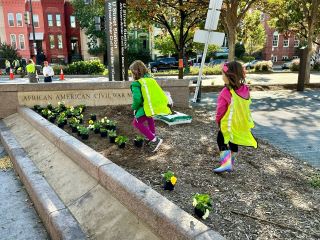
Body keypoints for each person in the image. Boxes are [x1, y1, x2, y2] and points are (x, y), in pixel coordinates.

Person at [213, 61, 257, 173]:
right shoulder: (245, 89)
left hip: (228, 123)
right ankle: (230, 163)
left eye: (223, 74)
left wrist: (218, 120)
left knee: (221, 140)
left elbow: (221, 109)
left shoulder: (226, 92)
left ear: (230, 76)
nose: (222, 76)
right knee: (233, 141)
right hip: (240, 122)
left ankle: (226, 163)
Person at [129, 60, 172, 152]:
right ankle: (152, 135)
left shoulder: (136, 83)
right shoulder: (151, 80)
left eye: (132, 72)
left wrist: (134, 107)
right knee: (149, 117)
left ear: (135, 72)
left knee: (136, 123)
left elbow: (137, 99)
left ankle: (154, 140)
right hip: (154, 105)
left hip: (146, 106)